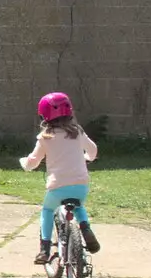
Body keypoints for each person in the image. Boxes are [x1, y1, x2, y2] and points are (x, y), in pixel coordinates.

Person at [19, 91, 100, 264]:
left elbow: (33, 161)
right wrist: (87, 158)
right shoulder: (77, 132)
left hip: (57, 187)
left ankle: (44, 249)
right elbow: (92, 150)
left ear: (43, 115)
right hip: (81, 184)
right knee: (78, 206)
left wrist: (24, 163)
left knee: (47, 211)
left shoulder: (45, 138)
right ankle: (85, 227)